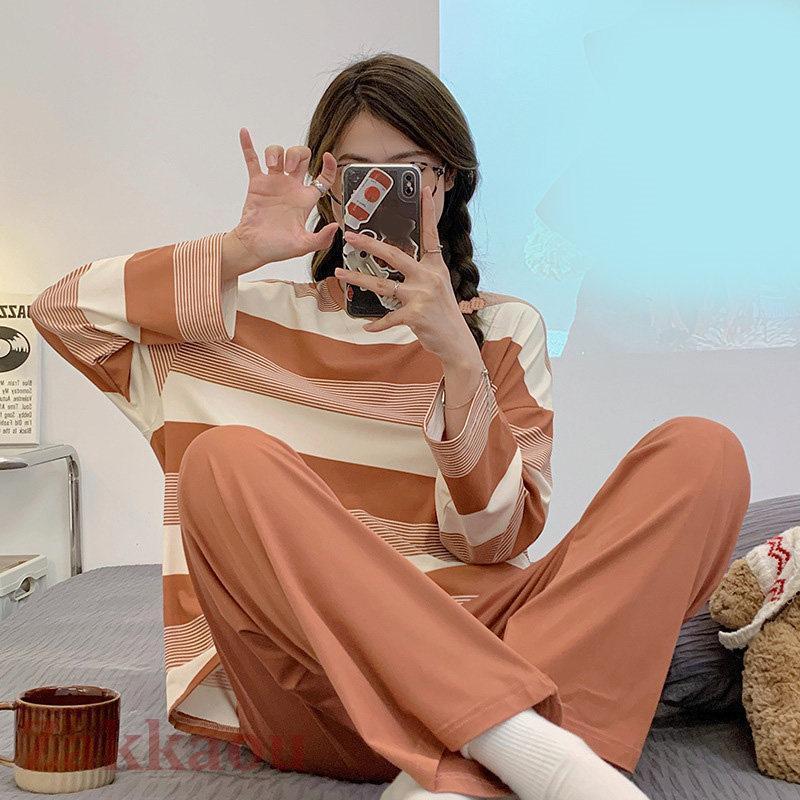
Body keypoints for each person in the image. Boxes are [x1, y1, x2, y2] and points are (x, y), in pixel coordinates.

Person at [29, 53, 751, 800]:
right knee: (221, 460)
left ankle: (465, 769)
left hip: (488, 641)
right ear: (325, 181)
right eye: (357, 173)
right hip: (312, 680)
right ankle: (534, 753)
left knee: (704, 453)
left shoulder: (500, 332)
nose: (380, 193)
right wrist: (238, 252)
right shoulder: (229, 324)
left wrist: (459, 363)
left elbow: (495, 541)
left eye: (407, 172)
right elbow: (60, 313)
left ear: (446, 183)